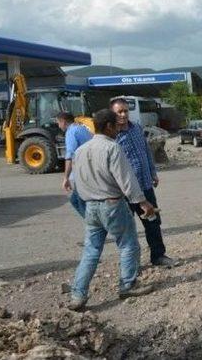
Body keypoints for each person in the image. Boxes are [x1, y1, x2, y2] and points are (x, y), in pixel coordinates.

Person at [68, 109, 155, 311]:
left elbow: (76, 183)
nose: (119, 128)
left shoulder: (81, 151)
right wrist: (143, 203)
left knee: (91, 250)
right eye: (116, 125)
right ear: (108, 126)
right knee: (128, 244)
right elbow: (126, 180)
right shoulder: (112, 148)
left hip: (91, 206)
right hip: (112, 204)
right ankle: (128, 284)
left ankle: (78, 294)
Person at [110, 98, 176, 267]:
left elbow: (146, 151)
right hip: (125, 191)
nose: (123, 114)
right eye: (120, 112)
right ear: (113, 114)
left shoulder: (136, 128)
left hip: (145, 185)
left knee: (153, 221)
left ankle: (158, 256)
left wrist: (153, 172)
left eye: (125, 111)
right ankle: (131, 265)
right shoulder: (111, 136)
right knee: (127, 230)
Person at [57, 112, 93, 218]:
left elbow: (70, 155)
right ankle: (96, 226)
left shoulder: (71, 132)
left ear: (63, 122)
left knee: (80, 202)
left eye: (58, 123)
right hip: (89, 170)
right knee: (75, 200)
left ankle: (95, 227)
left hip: (81, 173)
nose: (58, 126)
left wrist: (66, 178)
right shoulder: (82, 128)